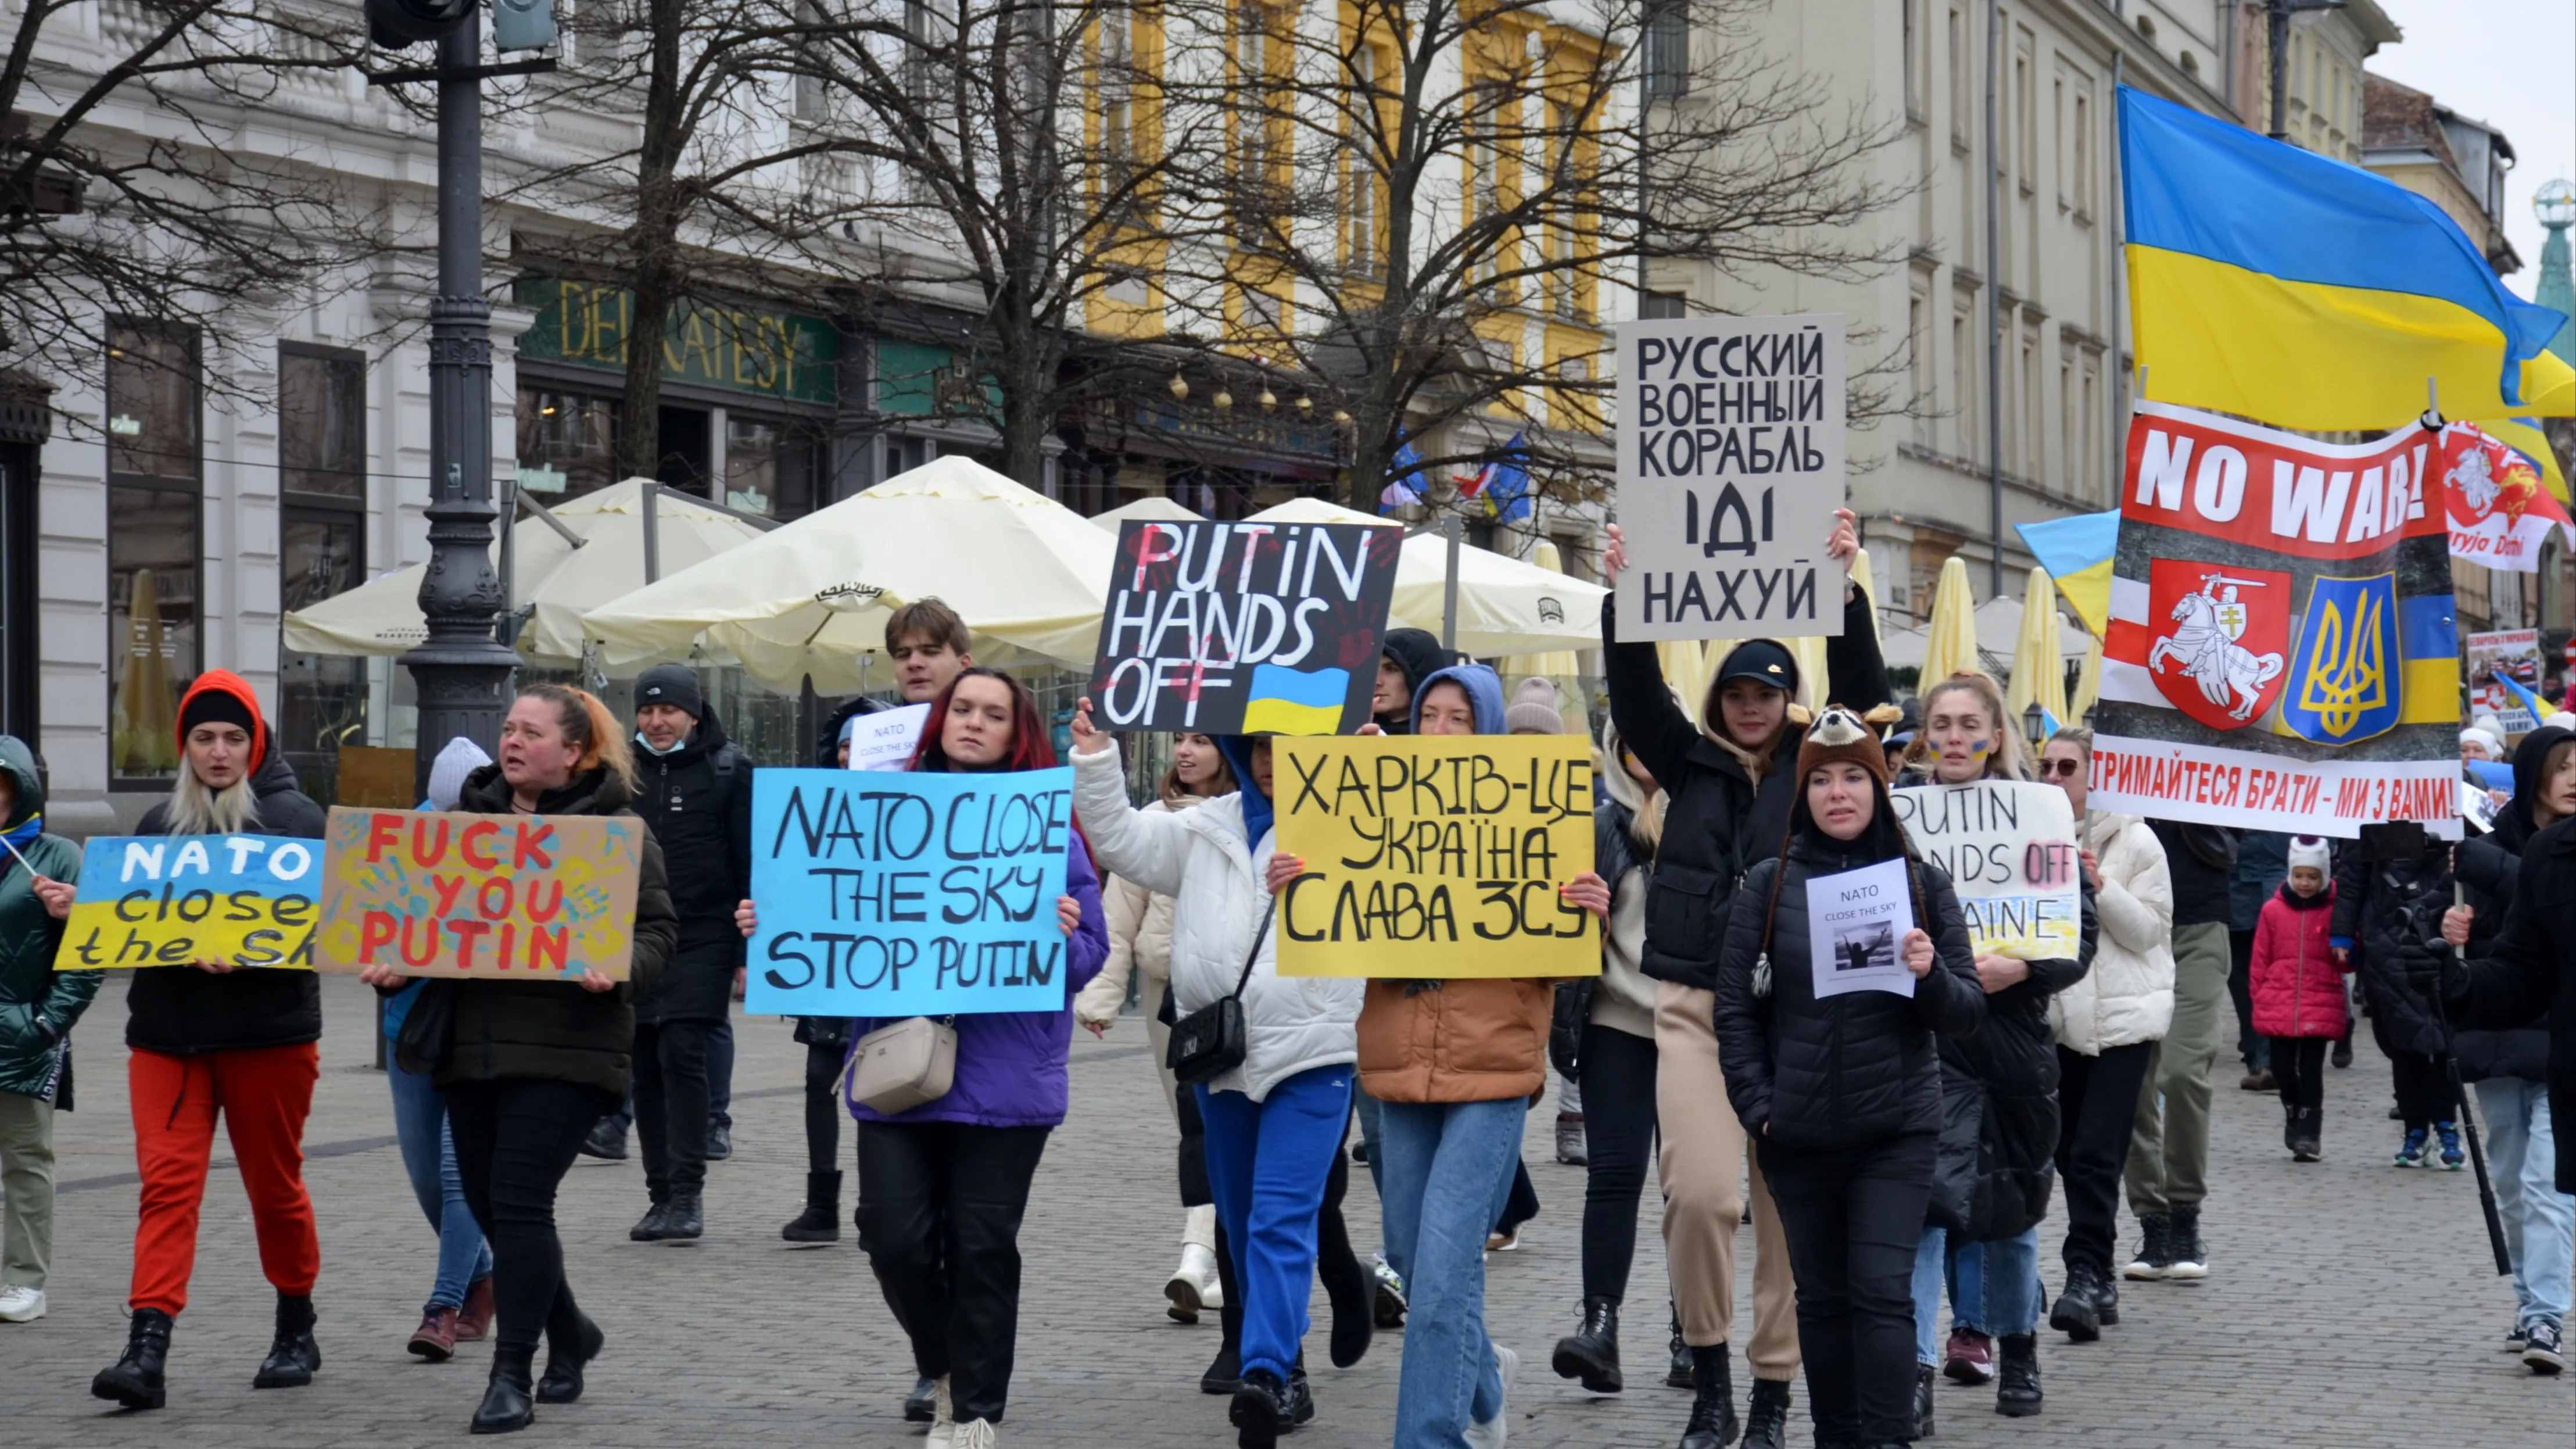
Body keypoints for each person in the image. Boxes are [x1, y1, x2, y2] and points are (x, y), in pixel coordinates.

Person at [740, 667, 1106, 1447]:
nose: (973, 722)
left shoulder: (1046, 827)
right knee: (891, 1234)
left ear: (1017, 732)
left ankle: (974, 1410)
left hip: (1005, 1081)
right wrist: (771, 924)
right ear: (938, 720)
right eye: (962, 708)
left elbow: (1089, 962)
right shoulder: (875, 817)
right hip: (898, 1069)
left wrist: (1067, 935)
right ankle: (940, 1363)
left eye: (994, 713)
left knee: (981, 1245)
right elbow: (829, 920)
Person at [1600, 510, 1883, 1449]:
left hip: (1797, 1019)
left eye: (1768, 689)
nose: (1751, 702)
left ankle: (1768, 1391)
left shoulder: (1818, 770)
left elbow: (1870, 697)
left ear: (1790, 696)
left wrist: (1842, 587)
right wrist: (1625, 590)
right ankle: (1708, 1374)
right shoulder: (1684, 760)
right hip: (1689, 1009)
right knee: (1702, 1196)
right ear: (1716, 697)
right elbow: (1636, 686)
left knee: (1785, 1212)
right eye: (1736, 688)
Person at [363, 685, 677, 1433]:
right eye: (507, 729)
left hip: (570, 1046)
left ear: (573, 752)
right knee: (489, 1203)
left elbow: (661, 936)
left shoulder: (616, 833)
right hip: (471, 1046)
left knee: (521, 1199)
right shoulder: (458, 830)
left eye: (530, 733)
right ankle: (571, 1333)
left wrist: (621, 967)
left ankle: (513, 1375)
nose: (511, 742)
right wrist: (400, 962)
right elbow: (416, 923)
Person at [1073, 710, 1367, 1448]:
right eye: (1259, 746)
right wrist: (1097, 757)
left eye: (1288, 747)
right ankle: (1287, 1360)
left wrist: (1372, 771)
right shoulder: (1203, 824)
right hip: (1222, 1056)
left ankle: (1268, 1372)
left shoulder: (1352, 813)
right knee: (1237, 1222)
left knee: (1277, 1217)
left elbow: (1408, 864)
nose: (1271, 762)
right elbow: (1122, 844)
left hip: (1313, 1053)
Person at [1714, 706, 1987, 1449]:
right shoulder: (1767, 887)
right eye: (1822, 779)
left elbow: (1964, 1013)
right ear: (1802, 794)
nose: (1838, 793)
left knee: (1880, 1295)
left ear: (1879, 787)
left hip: (1894, 1130)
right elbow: (1734, 1010)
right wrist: (1758, 1106)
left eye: (1854, 777)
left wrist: (1928, 973)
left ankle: (1887, 1441)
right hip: (1795, 1133)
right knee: (1824, 1300)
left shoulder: (1921, 883)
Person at [1362, 661, 1610, 1449]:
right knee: (1410, 1258)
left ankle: (1429, 1439)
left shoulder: (1530, 821)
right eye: (1427, 716)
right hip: (1396, 1069)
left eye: (1457, 719)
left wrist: (1585, 915)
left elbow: (1562, 963)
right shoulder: (1378, 806)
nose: (1437, 732)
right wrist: (1302, 870)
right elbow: (1335, 927)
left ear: (1489, 732)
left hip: (1492, 1072)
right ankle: (1484, 1379)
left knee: (1438, 1280)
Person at [89, 670, 329, 1411]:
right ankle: (147, 1346)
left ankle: (296, 1322)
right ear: (184, 746)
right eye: (204, 738)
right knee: (167, 1190)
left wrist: (255, 952)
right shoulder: (158, 826)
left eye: (232, 737)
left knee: (275, 1189)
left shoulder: (297, 820)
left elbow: (326, 929)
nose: (219, 752)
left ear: (255, 742)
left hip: (269, 1038)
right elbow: (129, 928)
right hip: (168, 1039)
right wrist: (85, 908)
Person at [1902, 674, 2092, 1425]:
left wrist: (2023, 964)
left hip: (2012, 1044)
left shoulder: (2040, 818)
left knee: (2011, 1215)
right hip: (1925, 1045)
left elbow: (2077, 940)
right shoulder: (1900, 816)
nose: (1953, 737)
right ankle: (1912, 1370)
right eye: (1940, 723)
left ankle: (2017, 1346)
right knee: (1920, 1214)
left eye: (1967, 724)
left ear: (1995, 734)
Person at [1073, 732, 1237, 1321]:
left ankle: (1199, 1257)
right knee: (1194, 1125)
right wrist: (1099, 995)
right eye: (1178, 741)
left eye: (1200, 741)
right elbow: (1118, 917)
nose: (1184, 752)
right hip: (1168, 998)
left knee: (1216, 1127)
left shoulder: (1251, 818)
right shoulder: (1155, 820)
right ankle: (1208, 1257)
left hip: (1236, 997)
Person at [2443, 724, 2575, 1373]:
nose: (2573, 778)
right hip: (2501, 1037)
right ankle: (2528, 1304)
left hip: (2563, 1040)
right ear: (2531, 777)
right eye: (2561, 767)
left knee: (2546, 1182)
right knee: (2510, 1181)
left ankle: (2547, 1316)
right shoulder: (2480, 848)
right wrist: (2452, 930)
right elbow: (2502, 953)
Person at [2035, 729, 2171, 1347]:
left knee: (2094, 1154)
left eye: (2067, 766)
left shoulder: (2136, 839)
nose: (2054, 776)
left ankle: (2086, 1274)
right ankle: (2091, 1267)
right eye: (2045, 765)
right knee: (2063, 1154)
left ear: (2095, 775)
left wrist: (2099, 886)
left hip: (2121, 1021)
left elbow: (2148, 932)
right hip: (2057, 1021)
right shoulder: (2028, 837)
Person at [1546, 713, 1668, 1401]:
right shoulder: (1594, 826)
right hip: (1615, 1021)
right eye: (1632, 741)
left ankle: (1691, 1334)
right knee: (1613, 1179)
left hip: (1694, 1027)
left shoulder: (1711, 816)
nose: (1645, 753)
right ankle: (1601, 1328)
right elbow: (1549, 925)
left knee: (1692, 1195)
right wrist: (1577, 911)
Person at [617, 665, 752, 1246]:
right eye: (646, 712)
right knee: (644, 1062)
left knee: (682, 1050)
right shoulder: (619, 771)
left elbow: (749, 858)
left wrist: (749, 949)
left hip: (705, 933)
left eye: (667, 711)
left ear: (692, 714)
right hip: (639, 936)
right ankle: (659, 1196)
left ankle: (688, 1193)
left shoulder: (730, 770)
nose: (656, 721)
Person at [387, 738, 499, 1361]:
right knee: (427, 1178)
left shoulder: (511, 842)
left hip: (479, 1035)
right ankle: (482, 1274)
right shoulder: (406, 847)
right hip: (411, 1031)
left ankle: (444, 1306)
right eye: (443, 816)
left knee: (461, 1177)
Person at [0, 736, 93, 1326]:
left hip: (23, 1036)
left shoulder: (58, 856)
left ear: (18, 790)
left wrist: (48, 1022)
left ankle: (24, 1280)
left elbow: (87, 953)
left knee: (26, 1157)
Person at [2122, 813, 2235, 1282]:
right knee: (2129, 1084)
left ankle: (2185, 1212)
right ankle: (2153, 1221)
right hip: (2128, 927)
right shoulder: (2114, 757)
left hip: (2198, 924)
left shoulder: (2212, 751)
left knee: (2183, 1071)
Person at [2334, 824, 2466, 1169]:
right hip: (2387, 938)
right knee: (2403, 1041)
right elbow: (2352, 878)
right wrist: (2342, 935)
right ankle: (2415, 1128)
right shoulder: (2372, 816)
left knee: (2444, 1036)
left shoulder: (2453, 808)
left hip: (2444, 929)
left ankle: (2447, 1124)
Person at [1509, 679, 1589, 1169]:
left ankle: (1572, 1119)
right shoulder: (1481, 794)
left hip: (1552, 942)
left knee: (1567, 1029)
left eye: (1539, 738)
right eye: (1519, 736)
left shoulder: (1572, 801)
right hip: (1503, 948)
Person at [2249, 838, 2346, 1163]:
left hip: (2320, 1002)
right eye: (2300, 875)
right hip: (2280, 1001)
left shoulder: (2335, 911)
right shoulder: (2272, 911)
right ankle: (2292, 1107)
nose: (2306, 883)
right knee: (2282, 1068)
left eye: (2313, 877)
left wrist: (2346, 955)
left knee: (2311, 1068)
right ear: (2291, 873)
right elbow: (2260, 957)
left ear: (2325, 876)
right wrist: (2259, 995)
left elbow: (2347, 959)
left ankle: (2309, 1134)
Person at [2226, 831, 2290, 1091]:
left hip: (2279, 891)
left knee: (2276, 979)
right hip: (2235, 892)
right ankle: (2259, 1058)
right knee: (2242, 983)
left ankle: (2271, 1060)